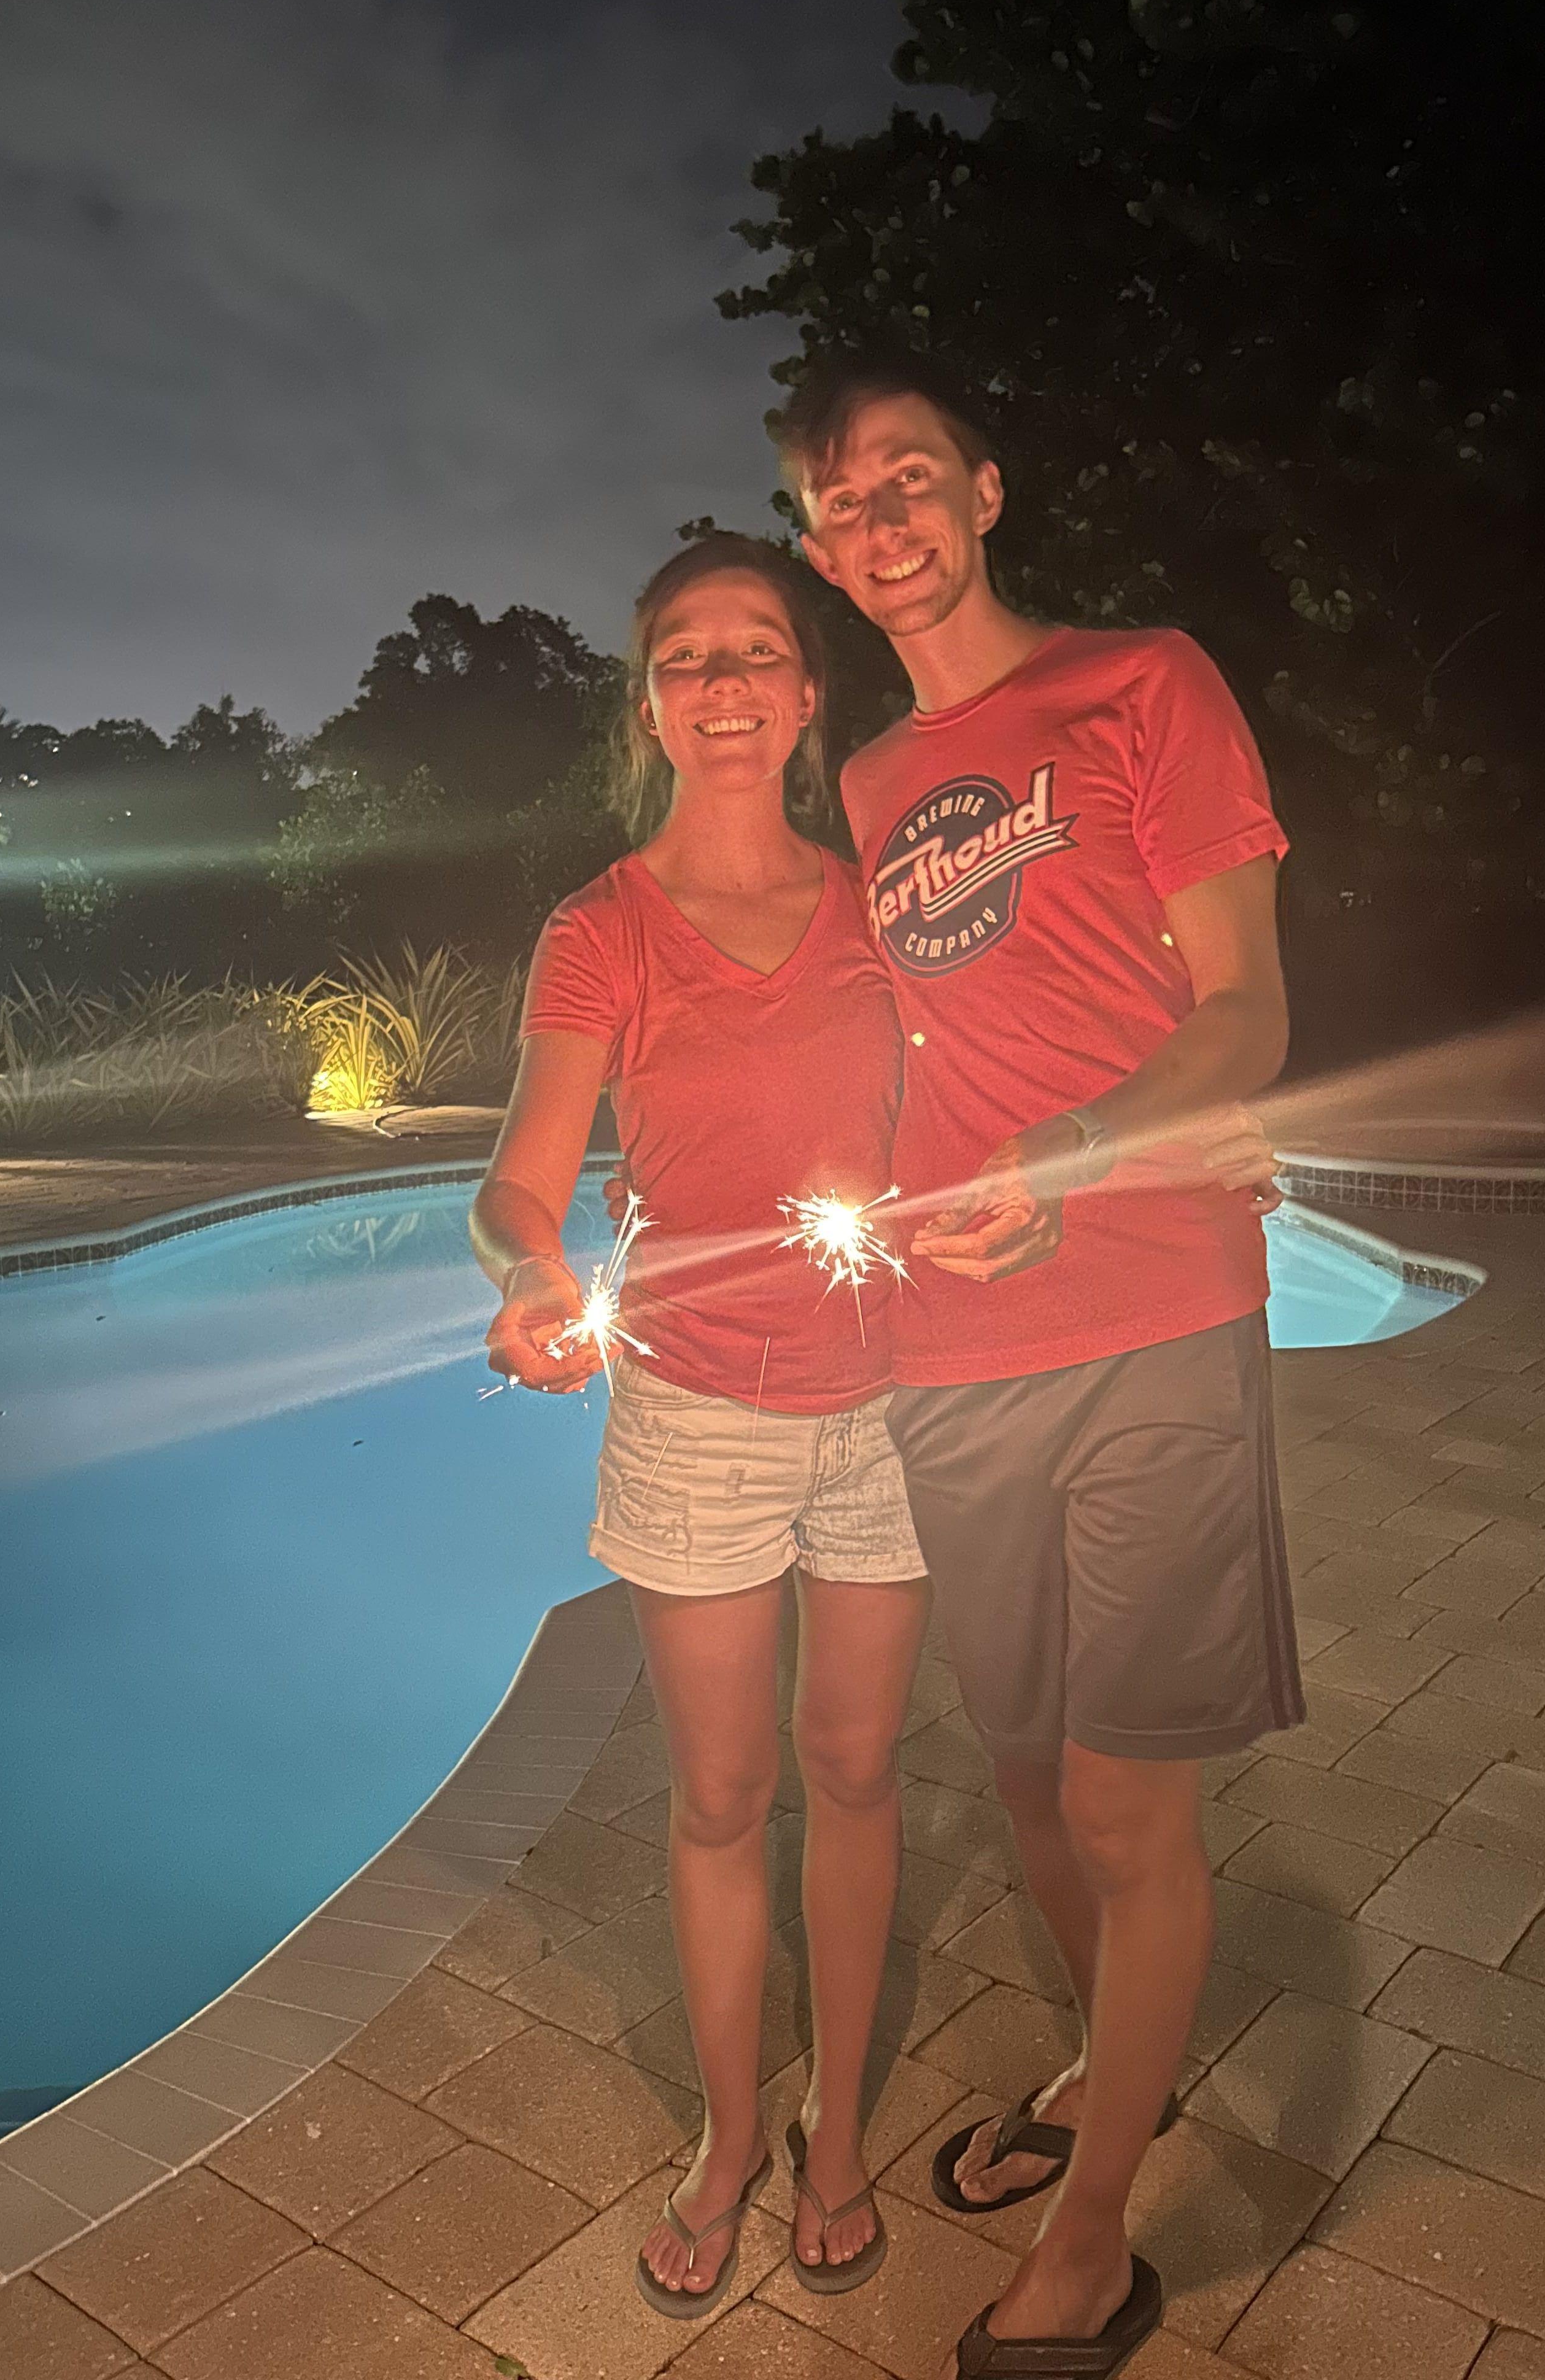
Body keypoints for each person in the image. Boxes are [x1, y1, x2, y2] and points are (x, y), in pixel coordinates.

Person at [781, 352, 1302, 2379]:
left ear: (986, 492)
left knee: (1122, 1791)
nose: (881, 523)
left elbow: (1244, 1011)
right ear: (822, 549)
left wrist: (1085, 1150)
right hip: (955, 1339)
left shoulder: (1141, 685)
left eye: (909, 478)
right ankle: (1120, 2068)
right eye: (841, 503)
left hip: (1153, 1306)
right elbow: (898, 1047)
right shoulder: (867, 786)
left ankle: (1094, 2250)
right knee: (1020, 1769)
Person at [469, 534, 930, 2314]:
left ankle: (838, 2128)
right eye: (687, 656)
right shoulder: (602, 932)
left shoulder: (886, 904)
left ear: (807, 696)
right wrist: (531, 1273)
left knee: (859, 1771)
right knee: (727, 1794)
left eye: (756, 651)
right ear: (652, 706)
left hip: (892, 1407)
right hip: (695, 1417)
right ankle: (735, 2135)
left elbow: (983, 1105)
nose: (724, 682)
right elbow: (521, 1183)